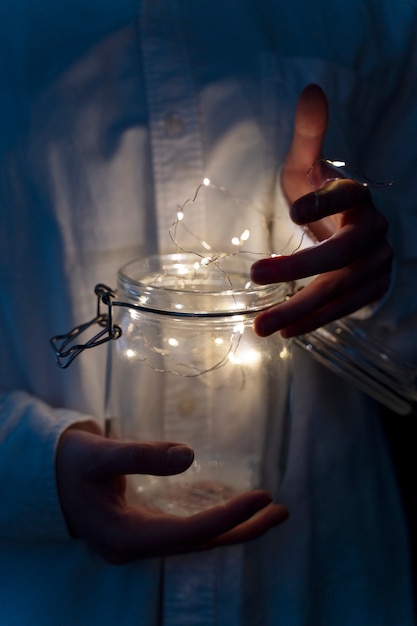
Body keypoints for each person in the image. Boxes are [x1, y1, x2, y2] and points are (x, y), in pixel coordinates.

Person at [0, 0, 416, 624]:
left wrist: (373, 266)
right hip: (55, 596)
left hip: (319, 585)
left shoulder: (376, 12)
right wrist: (31, 469)